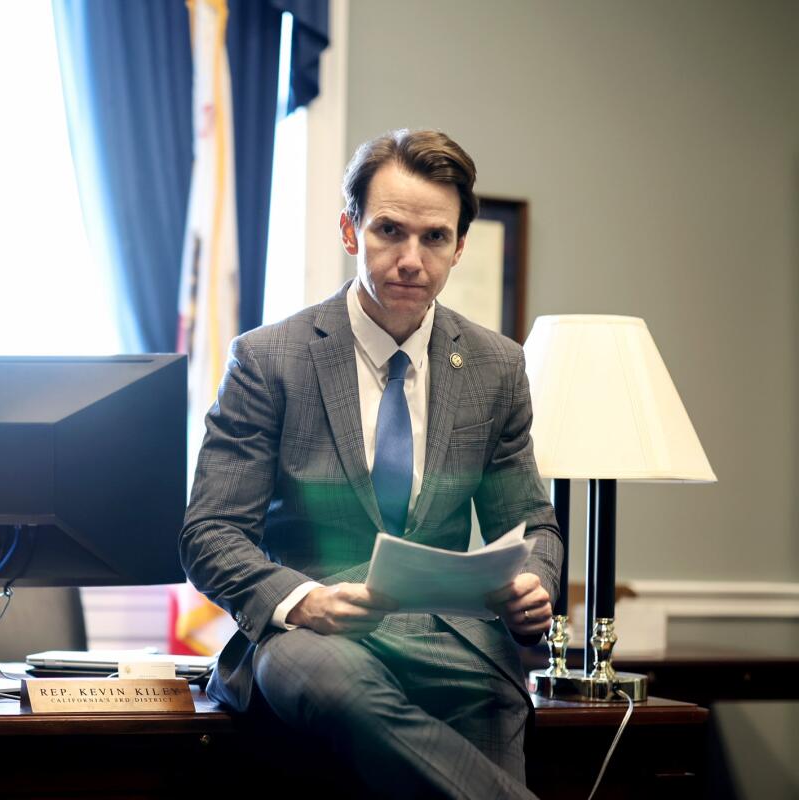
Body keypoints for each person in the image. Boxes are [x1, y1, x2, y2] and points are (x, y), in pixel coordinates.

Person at [179, 129, 563, 798]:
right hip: (311, 640)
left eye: (435, 237)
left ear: (459, 247)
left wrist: (535, 584)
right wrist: (305, 601)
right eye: (389, 231)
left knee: (495, 702)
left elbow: (535, 524)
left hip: (455, 642)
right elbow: (209, 533)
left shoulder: (497, 367)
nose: (411, 260)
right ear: (350, 231)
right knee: (338, 682)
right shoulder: (268, 361)